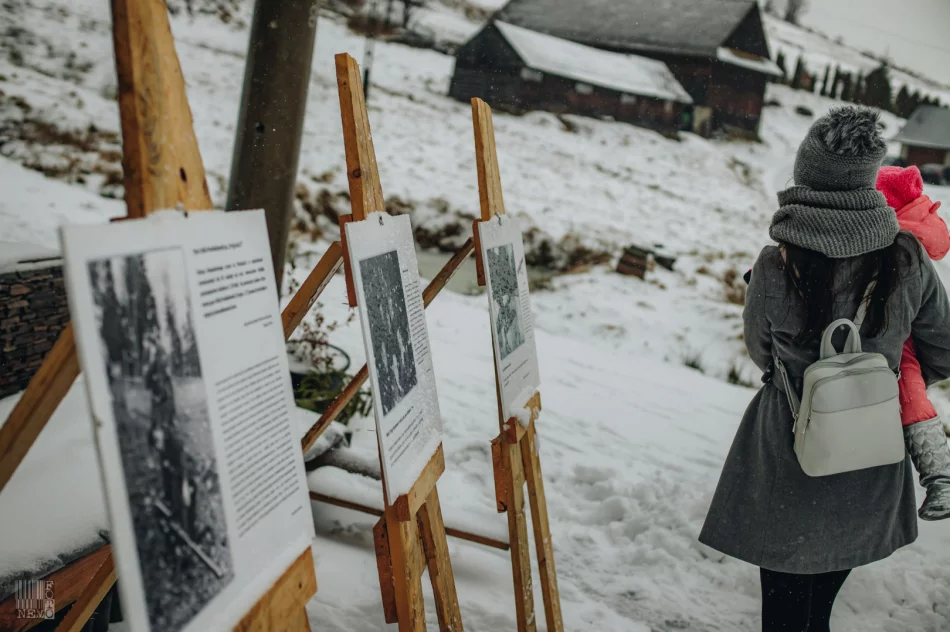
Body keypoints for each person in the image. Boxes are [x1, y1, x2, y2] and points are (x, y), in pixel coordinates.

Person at [699, 106, 950, 632]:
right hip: (870, 458)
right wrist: (878, 374)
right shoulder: (906, 256)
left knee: (784, 611)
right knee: (819, 608)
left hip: (787, 453)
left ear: (807, 176)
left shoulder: (776, 262)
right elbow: (944, 349)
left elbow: (761, 352)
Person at [876, 165, 950, 520]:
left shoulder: (896, 236)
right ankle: (940, 478)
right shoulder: (914, 227)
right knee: (913, 394)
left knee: (911, 394)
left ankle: (941, 479)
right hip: (898, 334)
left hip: (893, 338)